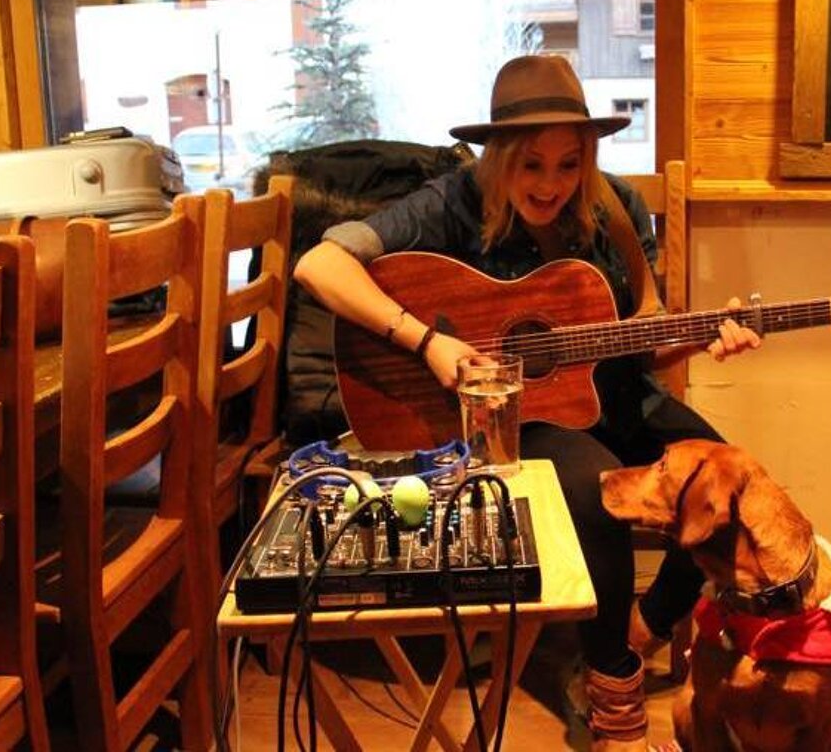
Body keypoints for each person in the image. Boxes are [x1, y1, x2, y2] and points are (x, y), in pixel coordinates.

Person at [293, 54, 761, 750]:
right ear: (497, 155)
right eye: (530, 164)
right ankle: (615, 705)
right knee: (600, 491)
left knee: (730, 484)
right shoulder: (451, 201)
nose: (551, 184)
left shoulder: (617, 211)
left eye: (568, 164)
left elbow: (645, 338)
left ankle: (628, 639)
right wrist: (428, 343)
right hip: (518, 416)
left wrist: (699, 339)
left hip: (617, 395)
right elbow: (319, 263)